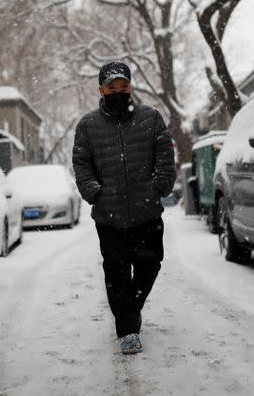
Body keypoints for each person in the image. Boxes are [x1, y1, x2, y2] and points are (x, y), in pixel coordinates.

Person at [72, 61, 175, 354]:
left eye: (123, 86)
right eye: (112, 87)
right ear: (101, 90)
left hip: (147, 212)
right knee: (116, 273)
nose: (118, 91)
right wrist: (95, 192)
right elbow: (82, 163)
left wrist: (159, 187)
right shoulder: (88, 125)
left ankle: (130, 309)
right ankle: (128, 330)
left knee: (149, 264)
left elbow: (165, 156)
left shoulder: (151, 118)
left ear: (130, 88)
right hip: (109, 216)